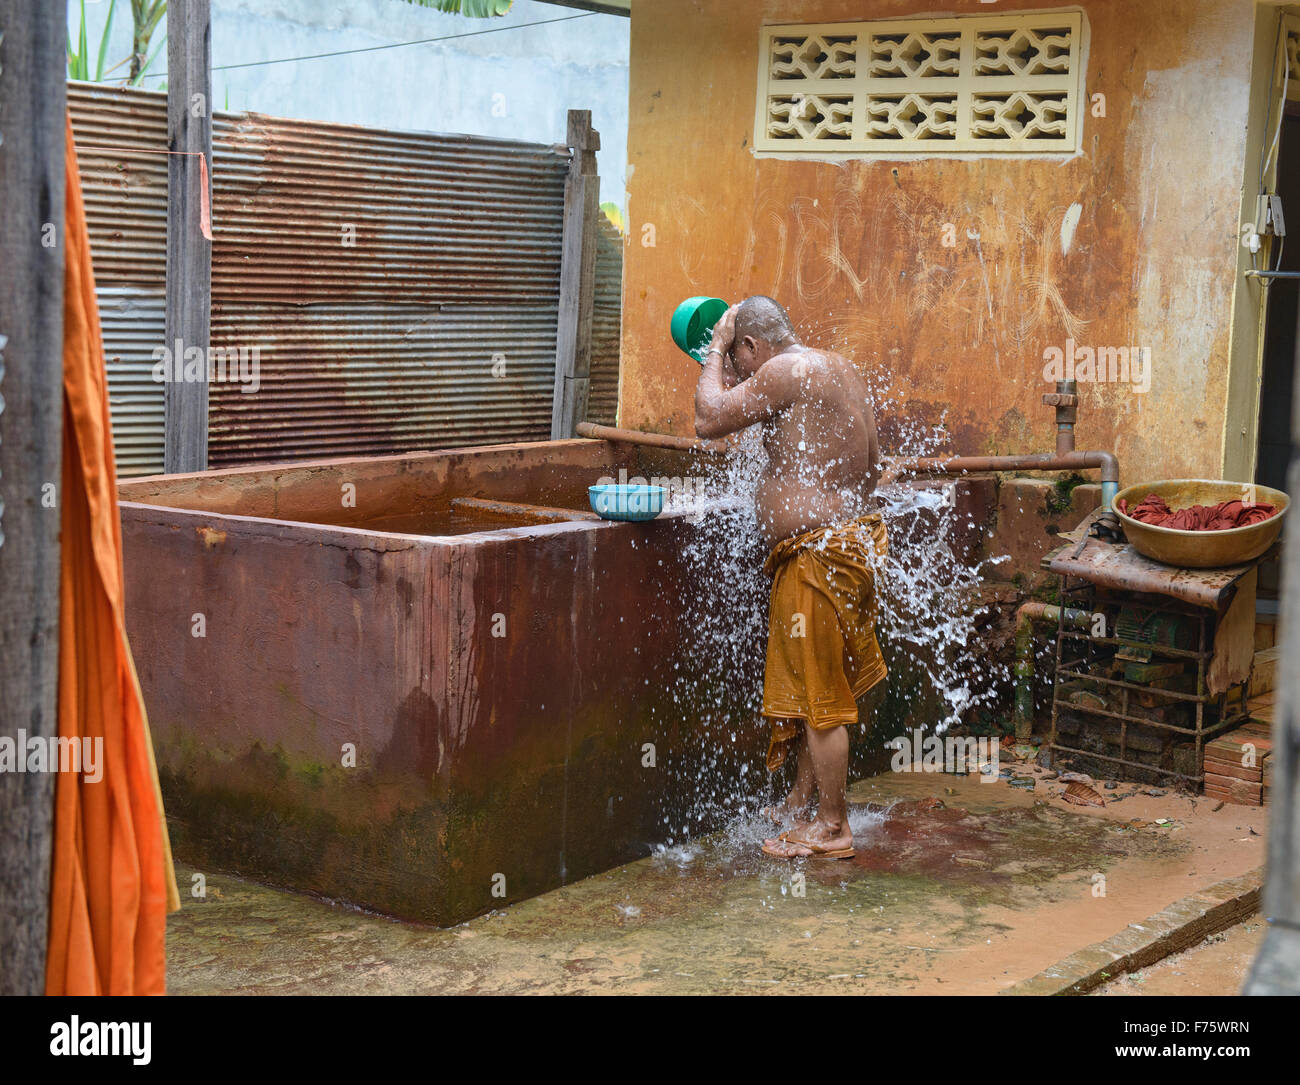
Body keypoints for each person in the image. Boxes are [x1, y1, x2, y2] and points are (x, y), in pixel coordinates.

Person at [693, 296, 885, 860]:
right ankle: (802, 804)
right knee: (813, 689)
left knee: (821, 697)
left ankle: (832, 828)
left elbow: (709, 419)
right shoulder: (842, 369)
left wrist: (711, 353)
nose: (741, 373)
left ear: (750, 346)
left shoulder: (782, 368)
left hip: (817, 560)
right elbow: (872, 464)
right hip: (846, 549)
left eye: (739, 358)